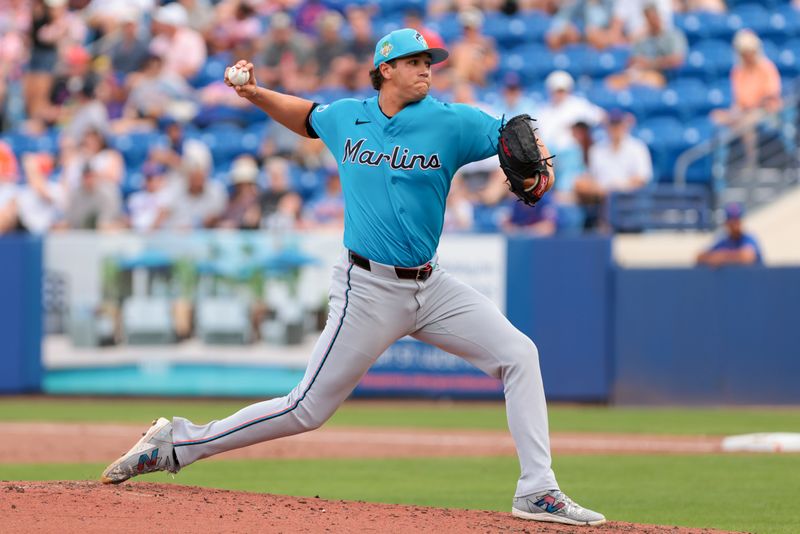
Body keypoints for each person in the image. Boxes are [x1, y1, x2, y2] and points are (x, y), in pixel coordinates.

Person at [101, 28, 605, 527]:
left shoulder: (451, 122)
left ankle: (538, 490)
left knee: (520, 355)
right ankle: (177, 443)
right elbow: (304, 117)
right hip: (366, 288)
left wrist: (537, 163)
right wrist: (254, 93)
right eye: (413, 61)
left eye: (430, 60)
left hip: (432, 287)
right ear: (385, 68)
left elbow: (511, 132)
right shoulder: (348, 117)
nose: (426, 68)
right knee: (306, 409)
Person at [575, 109, 652, 230]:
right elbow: (591, 177)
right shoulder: (597, 150)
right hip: (602, 199)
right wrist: (603, 190)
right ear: (607, 126)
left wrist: (616, 188)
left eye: (618, 124)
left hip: (628, 200)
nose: (615, 128)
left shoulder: (637, 147)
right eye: (612, 124)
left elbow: (641, 178)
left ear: (624, 125)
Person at [606, 4, 687, 90]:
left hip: (662, 75)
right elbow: (633, 60)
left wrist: (650, 64)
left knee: (645, 80)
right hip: (638, 73)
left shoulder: (673, 36)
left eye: (654, 17)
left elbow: (677, 60)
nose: (652, 21)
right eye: (648, 18)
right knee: (612, 82)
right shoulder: (642, 39)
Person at [697, 203, 762, 268]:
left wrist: (723, 257)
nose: (735, 225)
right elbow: (699, 257)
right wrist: (713, 257)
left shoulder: (748, 239)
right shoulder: (724, 241)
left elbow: (747, 257)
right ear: (726, 223)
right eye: (732, 221)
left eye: (737, 221)